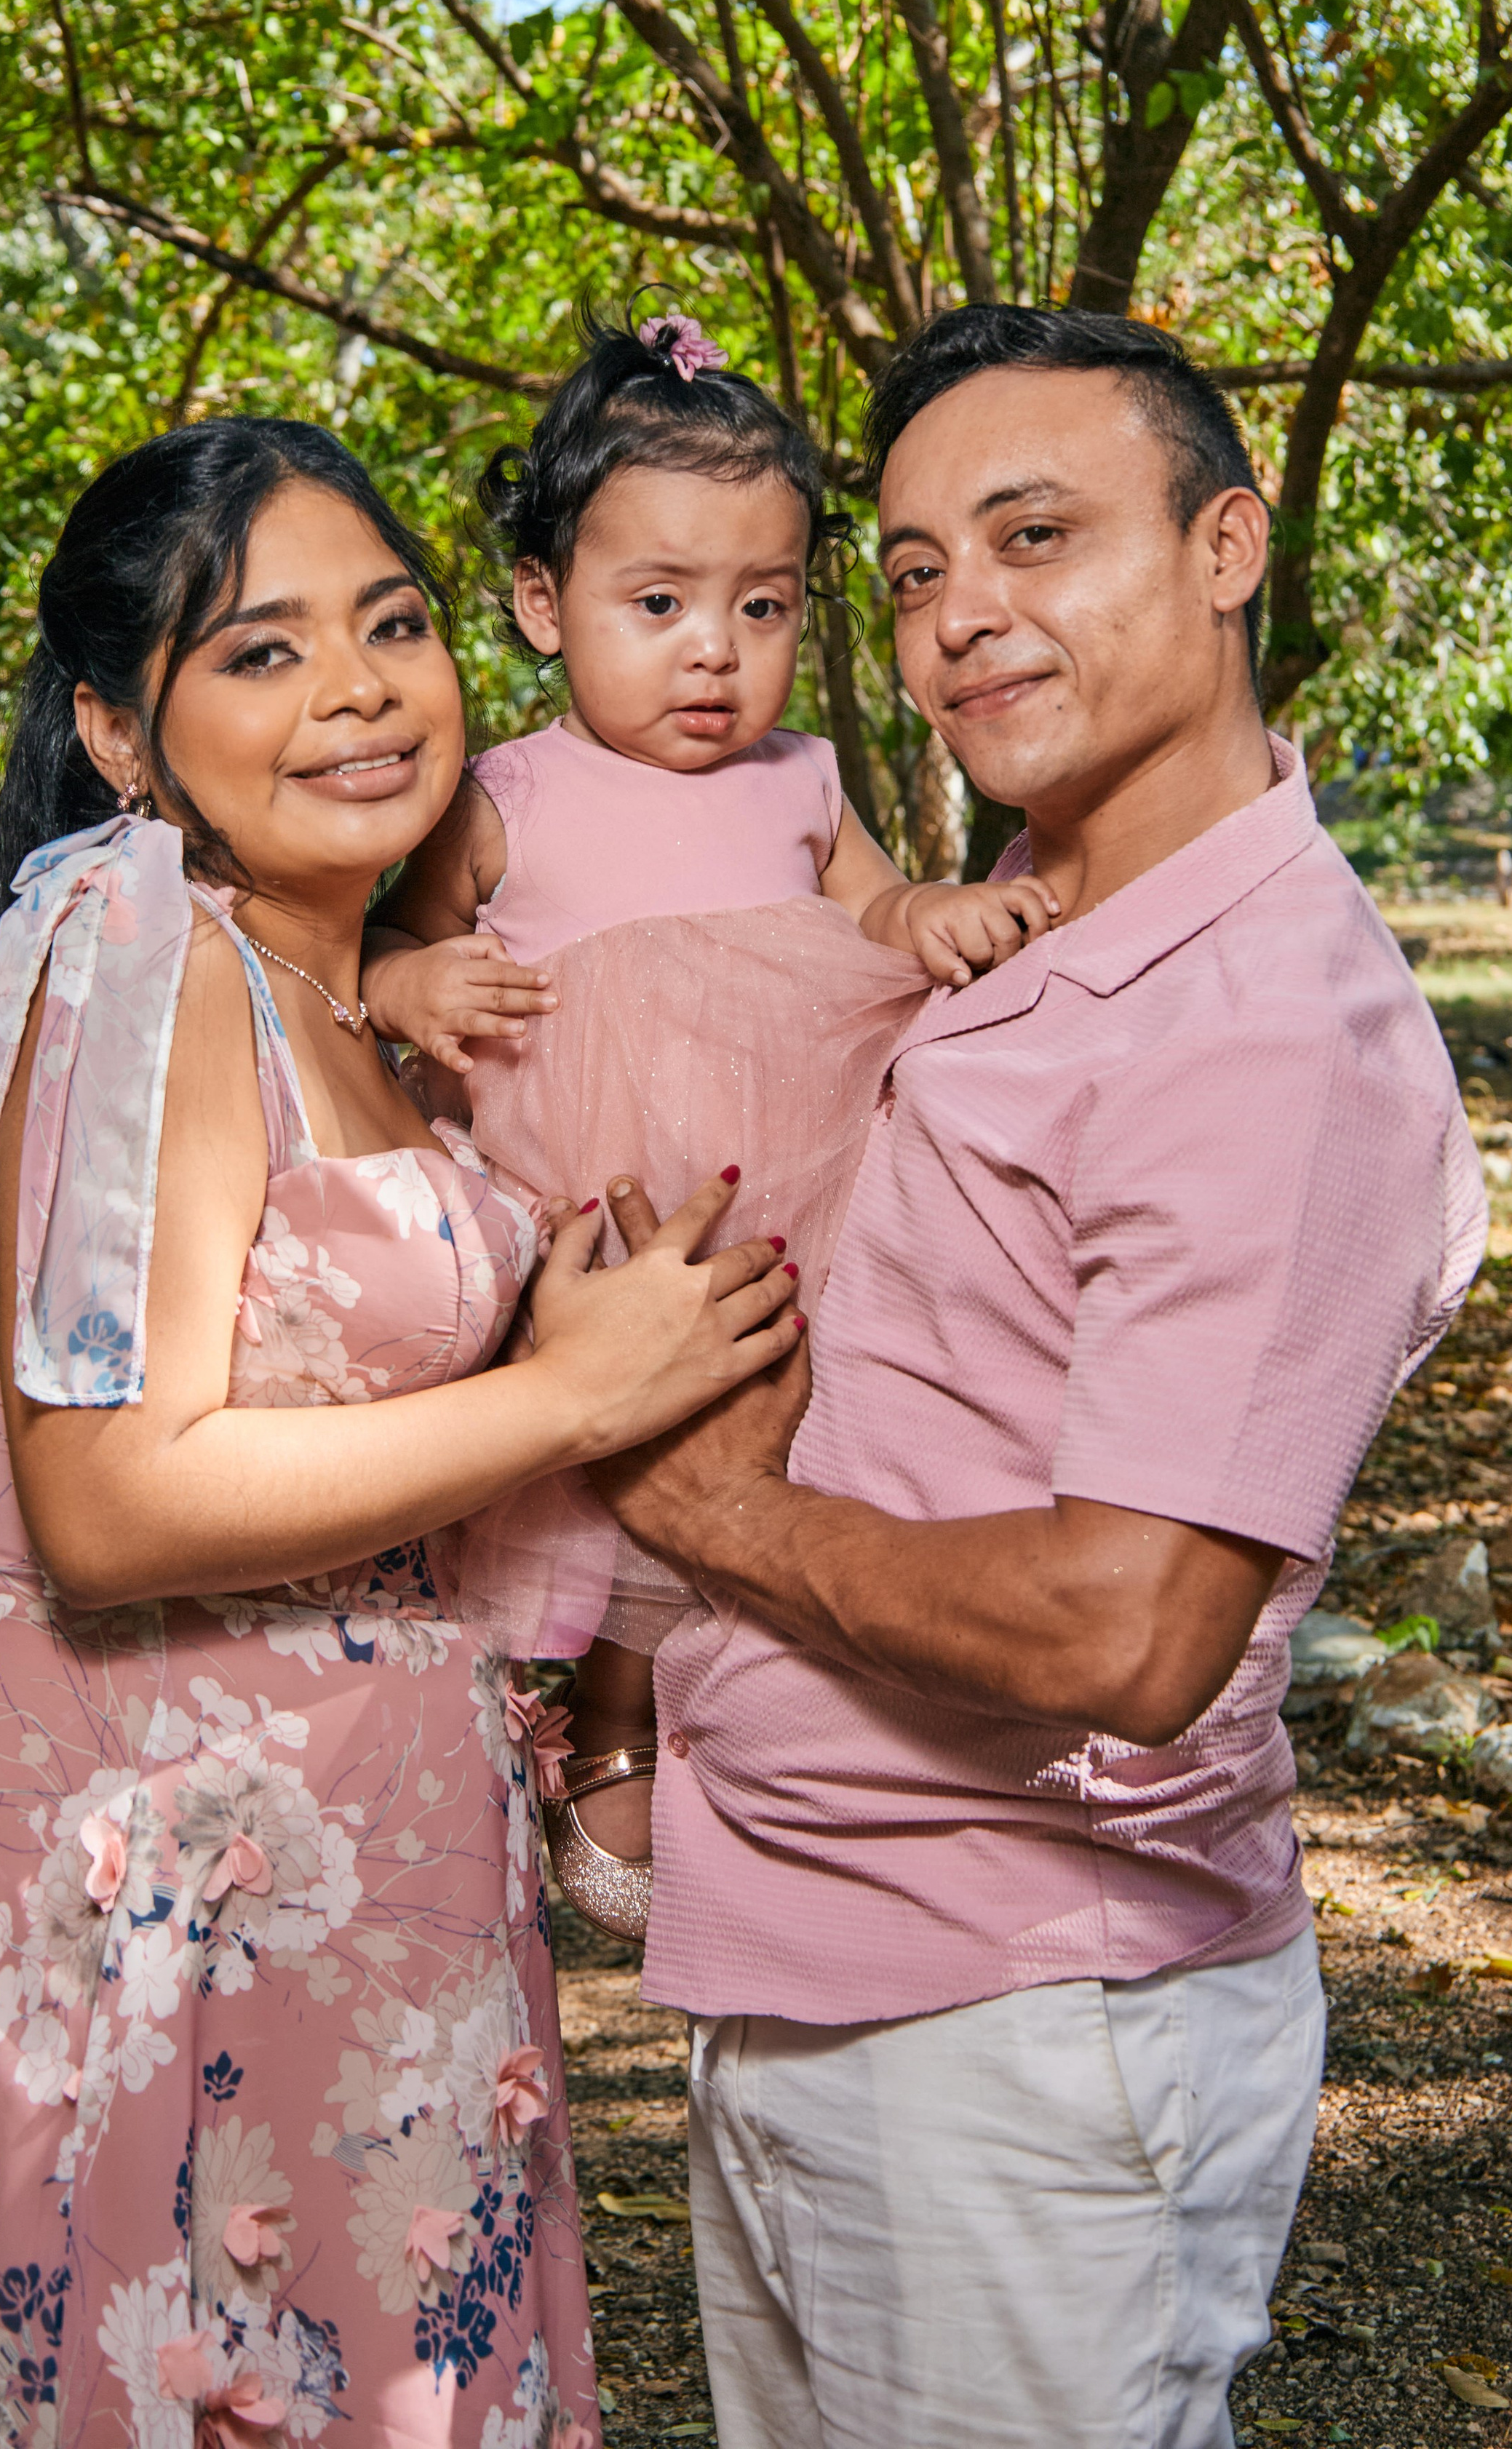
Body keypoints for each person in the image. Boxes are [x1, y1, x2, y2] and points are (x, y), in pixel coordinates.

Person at [0, 420, 800, 2443]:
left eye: (391, 627)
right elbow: (113, 1498)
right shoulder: (148, 972)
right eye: (259, 652)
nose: (355, 691)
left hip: (350, 1912)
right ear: (118, 734)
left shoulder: (356, 992)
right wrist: (568, 1393)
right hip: (128, 1925)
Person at [587, 306, 1488, 2449]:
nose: (962, 614)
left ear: (1226, 548)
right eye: (910, 571)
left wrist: (711, 1512)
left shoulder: (1270, 1029)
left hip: (1021, 2022)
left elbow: (1130, 1624)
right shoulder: (1026, 922)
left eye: (1035, 535)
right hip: (813, 1959)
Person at [365, 309, 1056, 1932]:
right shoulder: (503, 794)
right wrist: (413, 994)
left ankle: (704, 1718)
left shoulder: (802, 778)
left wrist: (932, 922)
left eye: (761, 607)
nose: (712, 652)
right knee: (598, 1466)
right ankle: (590, 1716)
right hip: (587, 1207)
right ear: (542, 605)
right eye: (657, 604)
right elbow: (381, 949)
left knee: (761, 1450)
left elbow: (874, 922)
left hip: (779, 1196)